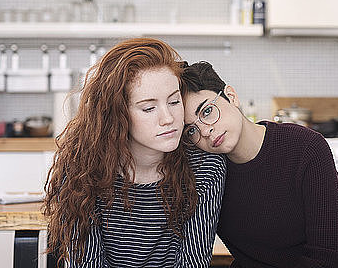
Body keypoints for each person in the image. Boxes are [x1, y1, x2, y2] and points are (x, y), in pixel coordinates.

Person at [43, 38, 225, 268]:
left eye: (174, 101)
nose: (168, 119)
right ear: (117, 115)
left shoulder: (205, 166)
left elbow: (193, 262)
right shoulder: (83, 168)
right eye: (149, 108)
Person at [180, 61, 338, 268]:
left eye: (207, 111)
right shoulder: (208, 173)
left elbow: (329, 258)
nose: (205, 131)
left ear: (231, 96)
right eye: (191, 130)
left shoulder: (305, 147)